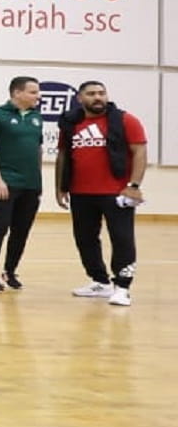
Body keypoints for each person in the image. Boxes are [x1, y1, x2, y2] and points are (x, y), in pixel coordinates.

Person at [56, 80, 147, 307]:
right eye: (91, 94)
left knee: (122, 239)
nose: (98, 97)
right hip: (81, 193)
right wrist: (60, 187)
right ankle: (100, 281)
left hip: (117, 193)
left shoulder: (126, 120)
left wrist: (133, 186)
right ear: (80, 98)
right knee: (85, 239)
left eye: (101, 93)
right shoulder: (70, 123)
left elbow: (139, 152)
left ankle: (123, 287)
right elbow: (63, 156)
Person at [0, 75, 43, 293]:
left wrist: (38, 179)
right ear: (17, 93)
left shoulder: (36, 117)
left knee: (21, 230)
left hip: (31, 185)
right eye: (33, 92)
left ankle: (10, 271)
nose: (38, 96)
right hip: (5, 182)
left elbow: (38, 149)